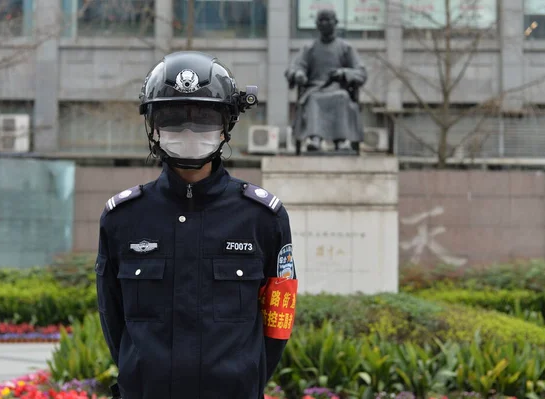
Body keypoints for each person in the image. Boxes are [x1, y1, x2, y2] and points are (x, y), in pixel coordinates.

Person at [95, 50, 298, 399]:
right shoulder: (122, 219)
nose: (188, 130)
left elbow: (277, 321)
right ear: (153, 126)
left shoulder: (262, 218)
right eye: (173, 118)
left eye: (204, 118)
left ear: (226, 126)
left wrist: (244, 380)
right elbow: (113, 319)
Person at [285, 8, 368, 153]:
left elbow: (360, 72)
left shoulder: (345, 48)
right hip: (314, 90)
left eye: (328, 20)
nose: (324, 24)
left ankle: (342, 139)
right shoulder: (309, 49)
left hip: (338, 89)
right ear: (317, 24)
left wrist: (344, 73)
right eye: (321, 20)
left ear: (335, 23)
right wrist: (298, 74)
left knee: (341, 98)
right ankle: (314, 138)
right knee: (313, 99)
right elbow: (294, 67)